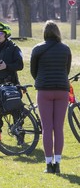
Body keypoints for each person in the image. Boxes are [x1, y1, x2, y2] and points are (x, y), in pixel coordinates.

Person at [30, 20, 71, 174]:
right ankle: (58, 163)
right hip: (62, 90)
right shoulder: (65, 49)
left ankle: (48, 164)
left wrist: (41, 80)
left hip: (44, 90)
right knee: (58, 128)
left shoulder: (37, 49)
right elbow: (66, 70)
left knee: (47, 128)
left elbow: (33, 71)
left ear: (45, 33)